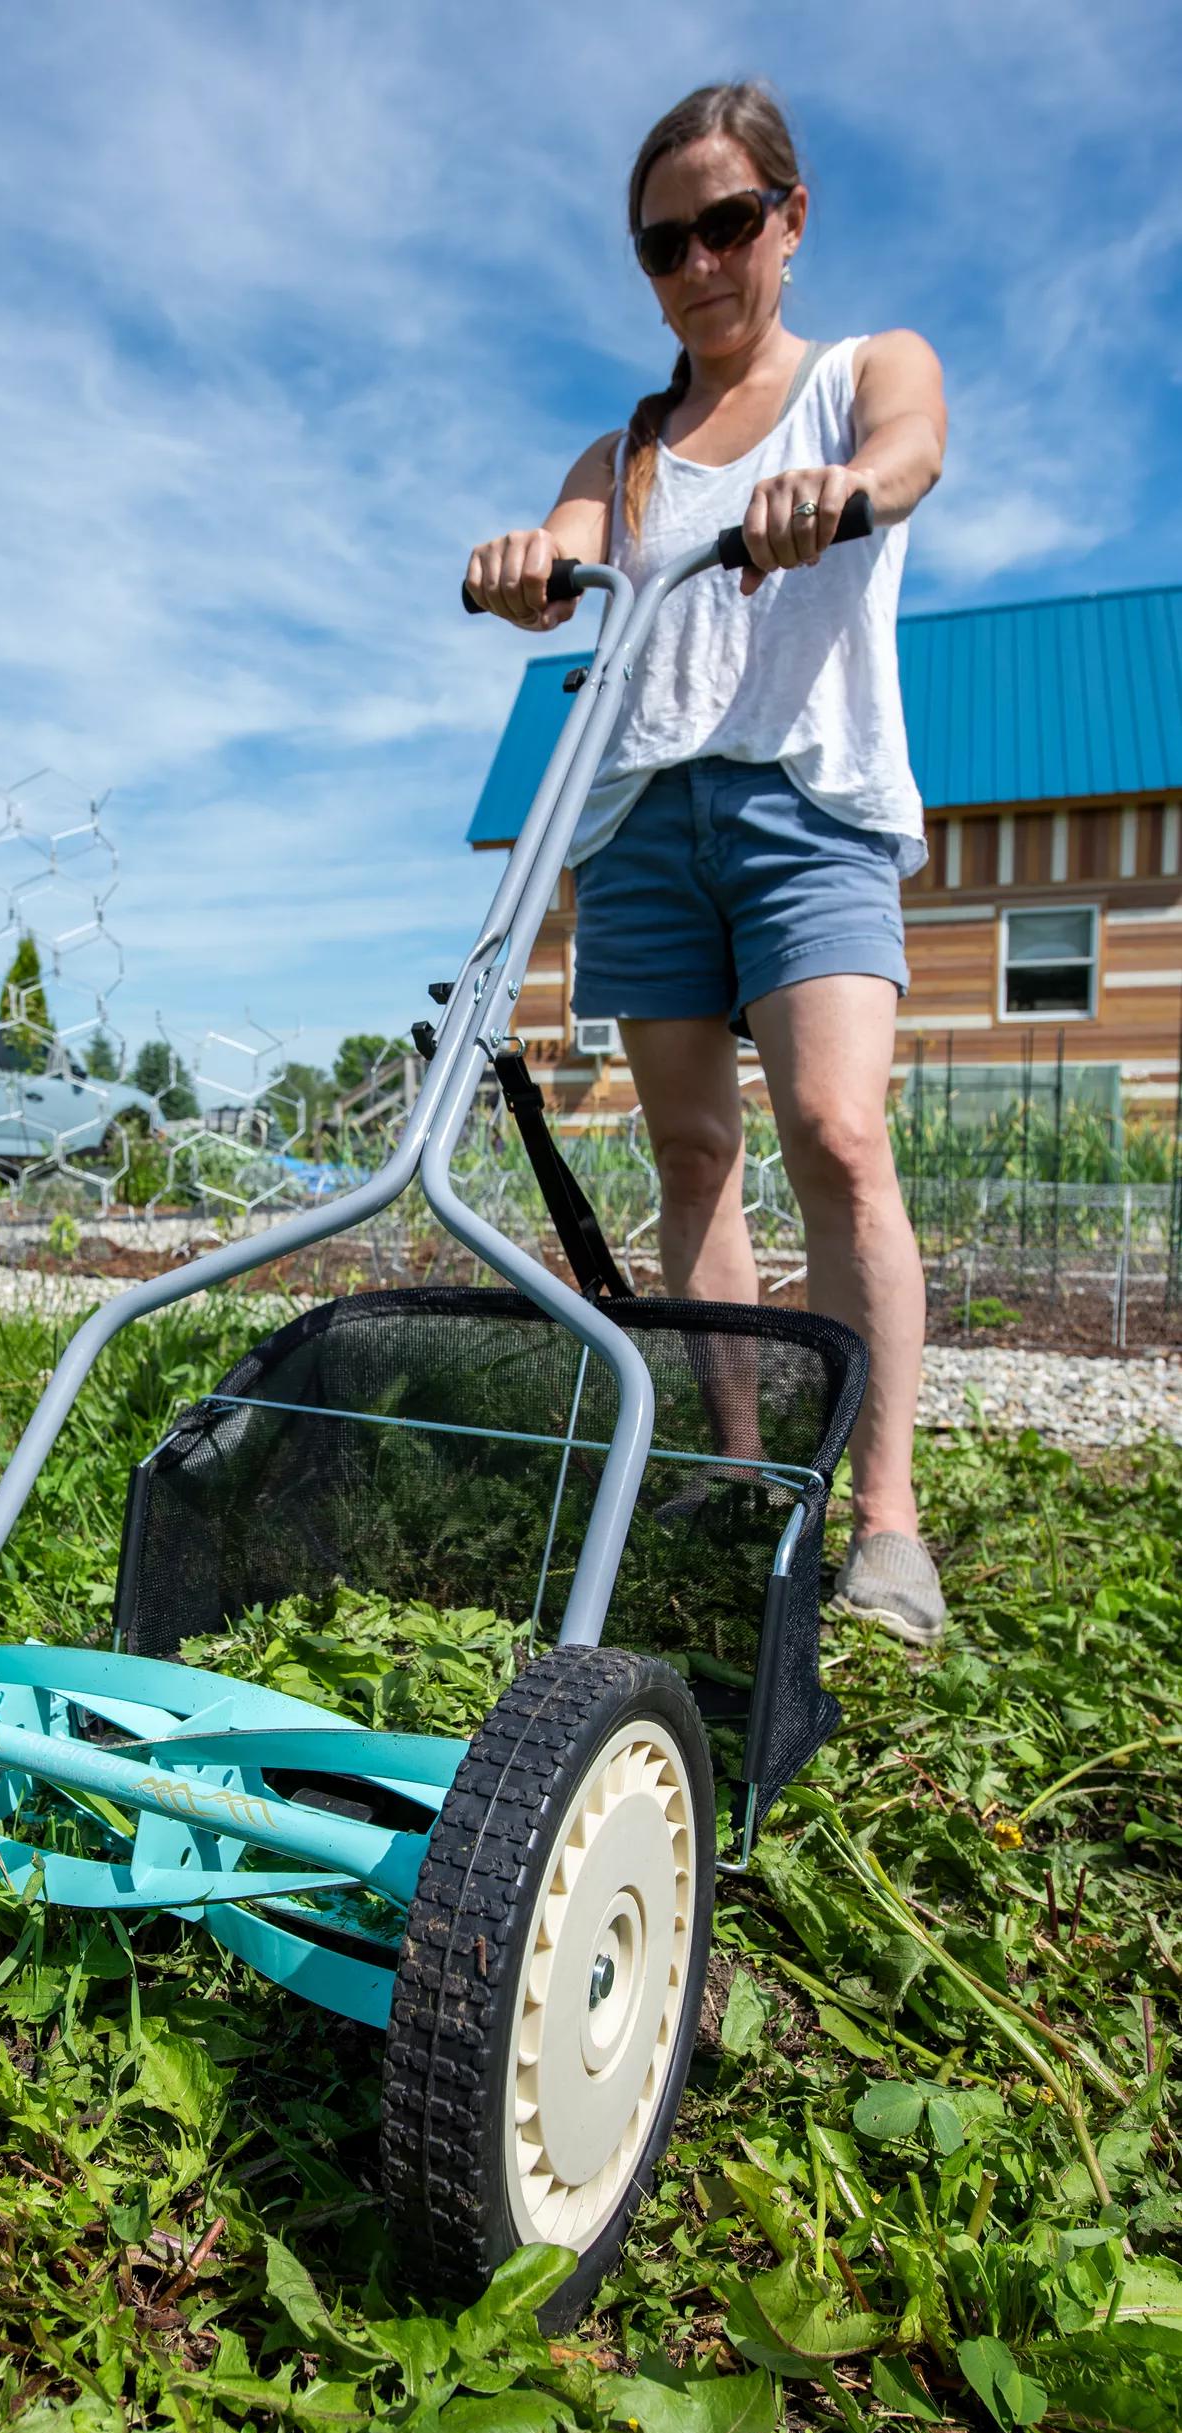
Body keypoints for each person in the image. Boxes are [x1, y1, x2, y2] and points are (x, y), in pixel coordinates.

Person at [465, 80, 948, 1642]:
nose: (697, 264)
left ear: (790, 224)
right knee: (691, 1156)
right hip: (643, 820)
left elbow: (913, 452)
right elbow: (558, 564)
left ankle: (883, 1520)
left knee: (833, 1129)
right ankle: (741, 1471)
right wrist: (523, 566)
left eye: (727, 225)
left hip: (809, 797)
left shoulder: (866, 369)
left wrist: (846, 492)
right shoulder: (630, 446)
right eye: (664, 243)